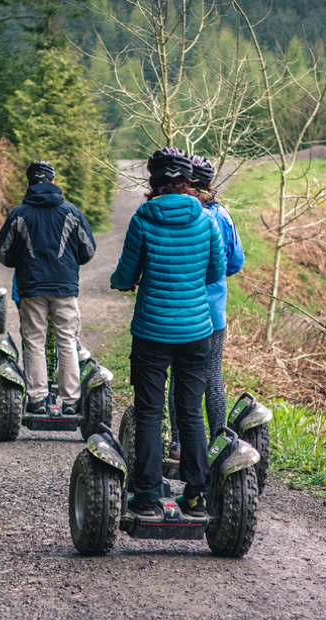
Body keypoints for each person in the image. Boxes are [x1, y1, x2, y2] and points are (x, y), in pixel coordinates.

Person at [111, 147, 226, 518]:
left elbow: (125, 275)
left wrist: (125, 282)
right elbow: (215, 272)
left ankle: (145, 498)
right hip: (196, 332)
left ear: (154, 182)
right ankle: (196, 495)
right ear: (188, 182)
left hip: (152, 331)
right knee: (190, 411)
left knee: (149, 412)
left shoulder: (143, 219)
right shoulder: (206, 220)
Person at [0, 160, 96, 415]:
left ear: (29, 182)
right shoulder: (72, 212)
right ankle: (71, 401)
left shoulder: (19, 213)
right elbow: (88, 251)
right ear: (52, 180)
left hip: (32, 286)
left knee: (34, 343)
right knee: (67, 342)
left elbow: (4, 254)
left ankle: (38, 400)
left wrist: (22, 261)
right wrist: (69, 264)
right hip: (65, 286)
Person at [168, 155, 245, 447]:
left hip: (183, 308)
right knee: (213, 373)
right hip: (213, 311)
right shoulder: (222, 215)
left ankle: (177, 443)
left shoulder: (183, 213)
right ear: (211, 183)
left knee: (178, 375)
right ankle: (217, 442)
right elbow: (235, 262)